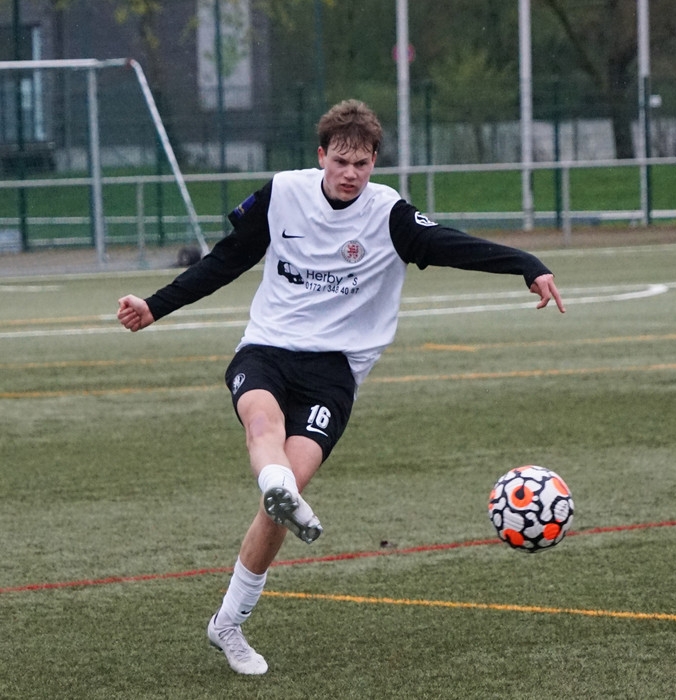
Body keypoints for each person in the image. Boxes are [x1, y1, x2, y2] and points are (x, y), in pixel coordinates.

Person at [116, 99, 565, 675]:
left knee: (283, 497)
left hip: (335, 372)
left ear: (375, 161)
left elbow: (454, 244)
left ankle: (227, 622)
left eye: (363, 162)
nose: (351, 173)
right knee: (263, 425)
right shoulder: (282, 193)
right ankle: (275, 486)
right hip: (267, 349)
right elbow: (225, 261)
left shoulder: (389, 214)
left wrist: (527, 264)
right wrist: (154, 306)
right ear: (321, 155)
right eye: (341, 161)